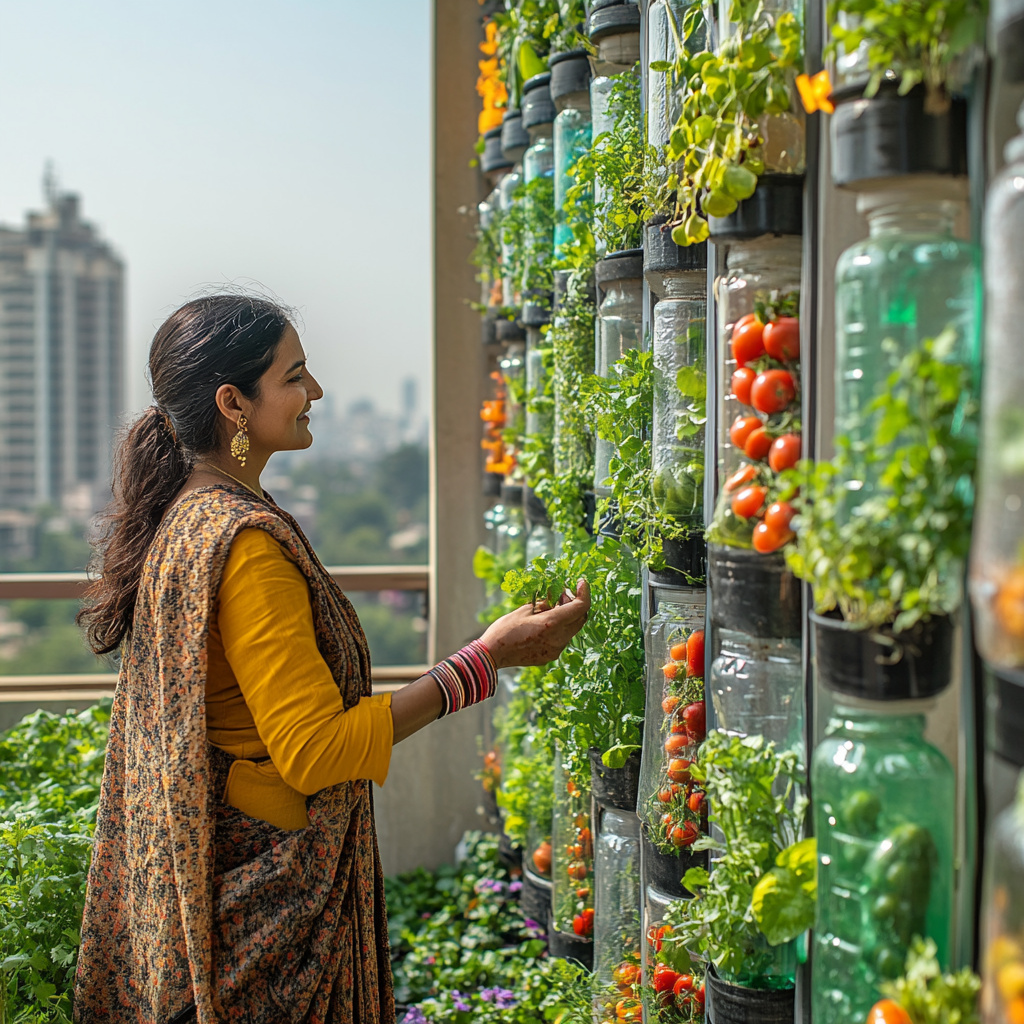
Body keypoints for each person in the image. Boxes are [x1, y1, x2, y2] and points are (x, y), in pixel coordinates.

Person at [73, 295, 590, 1023]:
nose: (316, 392)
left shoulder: (188, 514)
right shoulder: (245, 547)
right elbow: (316, 751)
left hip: (227, 864)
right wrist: (483, 663)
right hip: (269, 903)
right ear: (234, 403)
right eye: (295, 375)